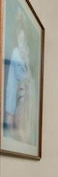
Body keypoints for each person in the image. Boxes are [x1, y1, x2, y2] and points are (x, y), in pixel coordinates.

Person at [3, 12, 33, 141]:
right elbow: (21, 74)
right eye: (21, 40)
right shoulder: (16, 53)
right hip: (13, 91)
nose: (22, 45)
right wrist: (25, 59)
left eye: (24, 42)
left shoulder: (22, 56)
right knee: (11, 114)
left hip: (18, 91)